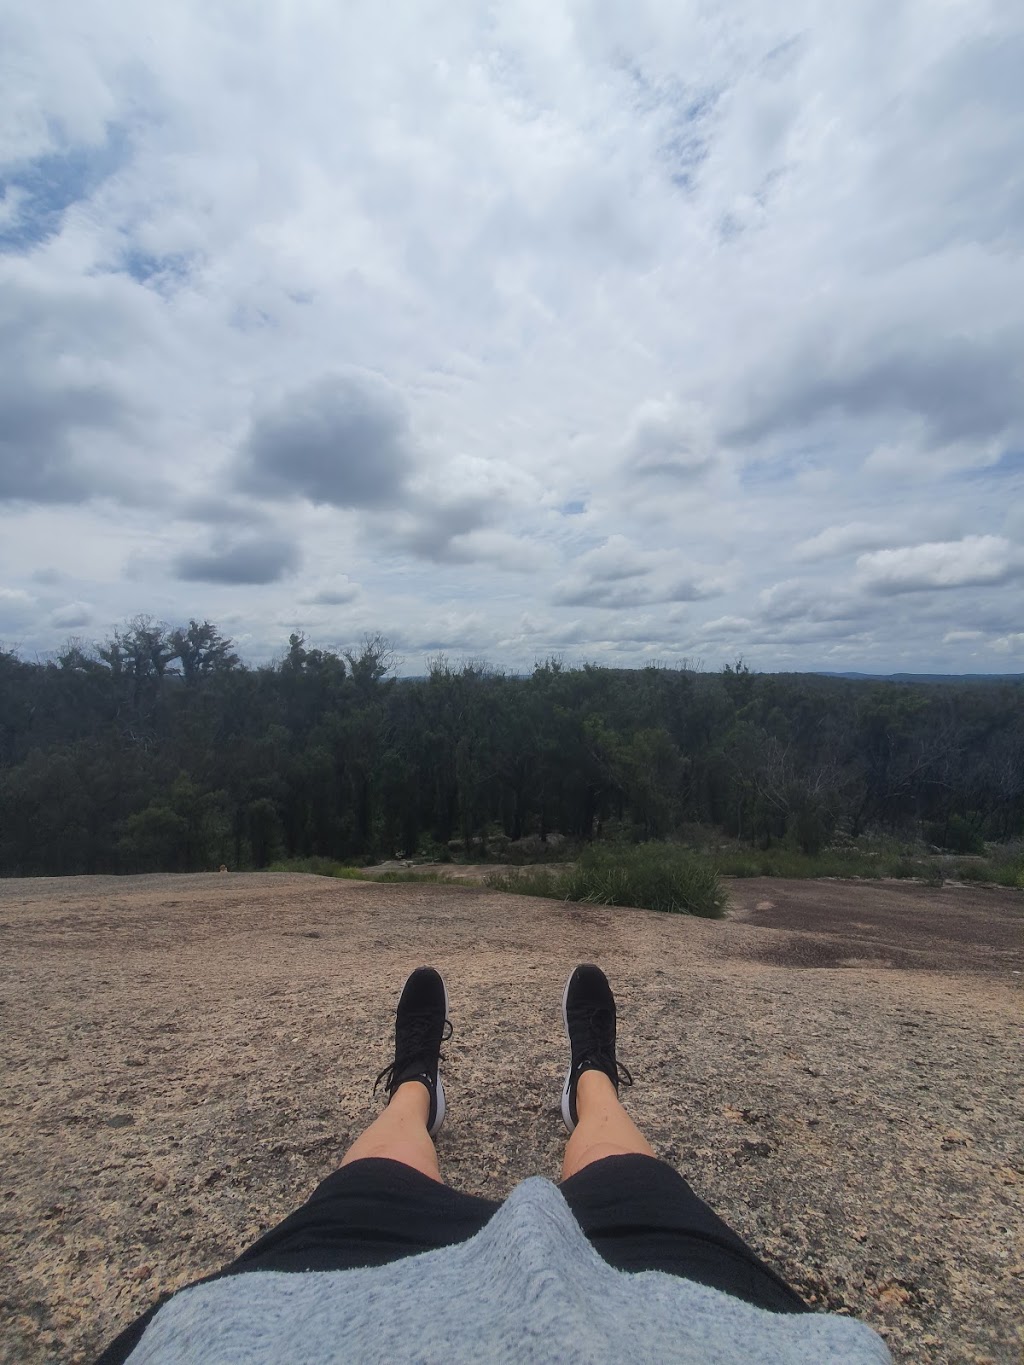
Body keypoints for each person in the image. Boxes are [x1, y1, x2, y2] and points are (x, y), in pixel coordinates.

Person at [96, 964, 891, 1363]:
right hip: (685, 1315)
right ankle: (589, 1081)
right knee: (626, 1170)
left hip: (305, 1313)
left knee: (368, 1184)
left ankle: (419, 1089)